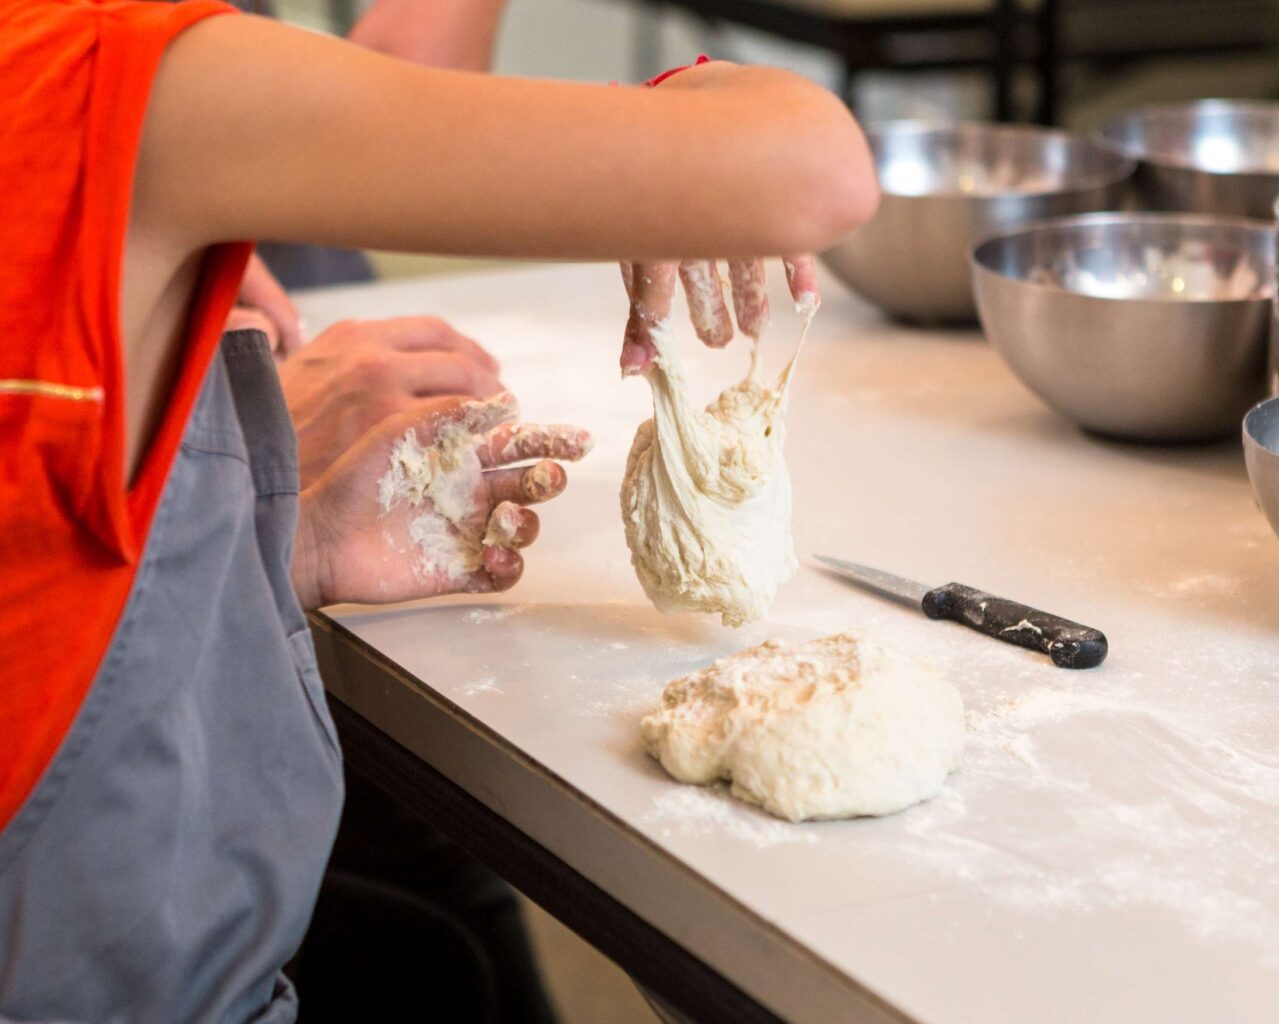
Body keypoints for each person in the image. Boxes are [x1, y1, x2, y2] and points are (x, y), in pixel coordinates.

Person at [0, 3, 877, 1024]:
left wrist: (271, 551)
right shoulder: (117, 82)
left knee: (434, 961)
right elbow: (813, 170)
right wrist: (681, 109)